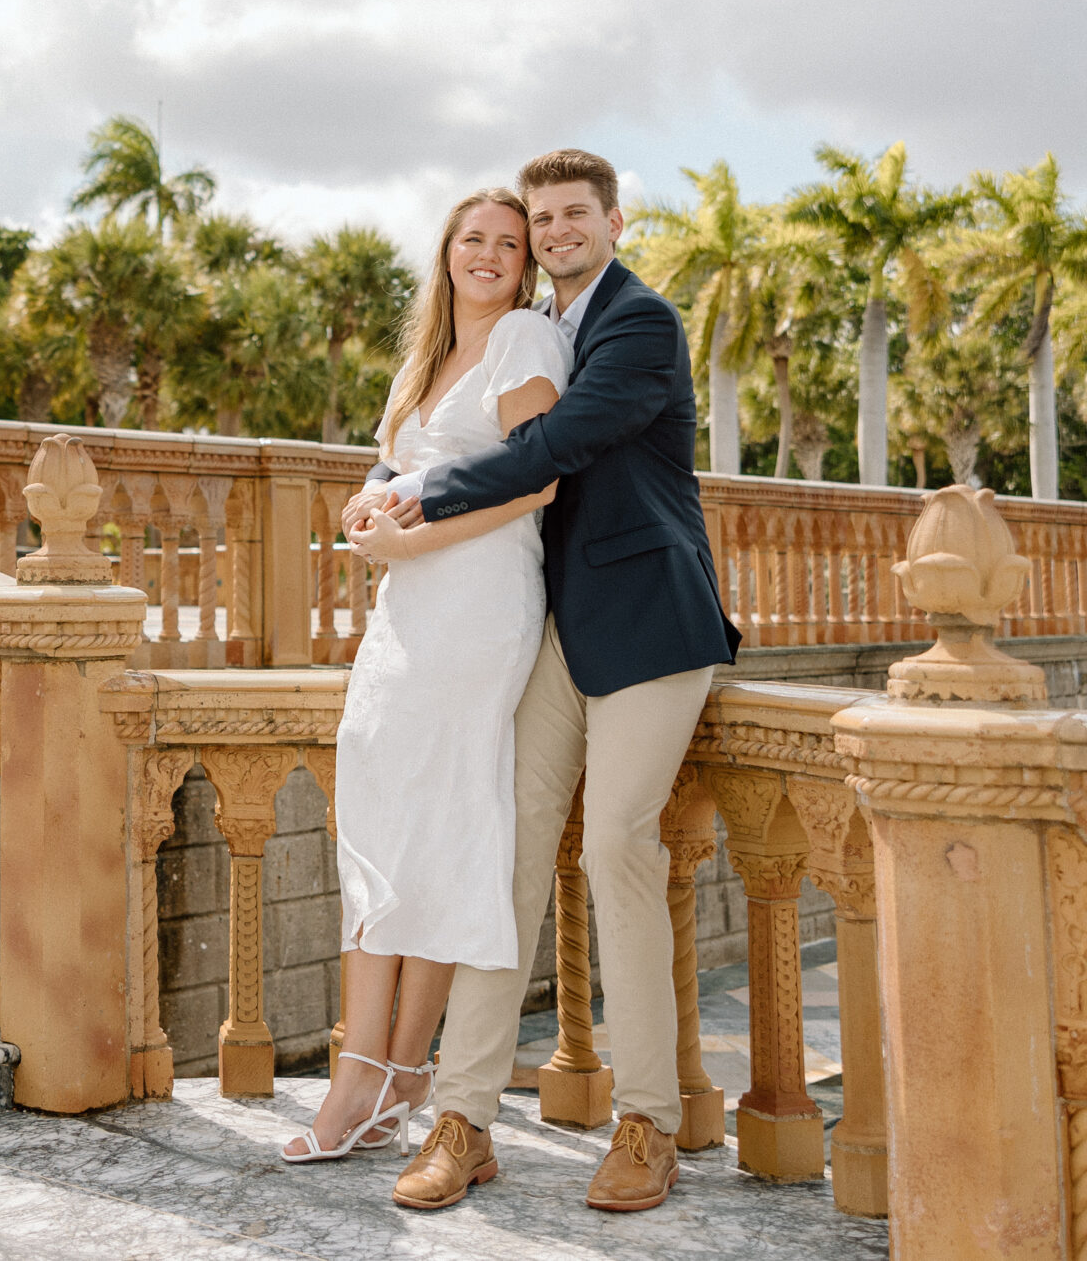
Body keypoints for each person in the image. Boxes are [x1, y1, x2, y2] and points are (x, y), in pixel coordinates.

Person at [345, 147, 742, 1215]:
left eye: (575, 214)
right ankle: (463, 1118)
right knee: (505, 852)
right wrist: (385, 482)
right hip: (555, 628)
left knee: (617, 843)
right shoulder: (545, 329)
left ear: (614, 221)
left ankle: (648, 1122)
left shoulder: (639, 323)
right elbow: (469, 418)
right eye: (542, 218)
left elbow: (559, 443)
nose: (557, 231)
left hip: (652, 621)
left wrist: (414, 495)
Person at [279, 188, 569, 1164]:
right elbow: (387, 475)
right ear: (446, 252)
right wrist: (365, 517)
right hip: (406, 613)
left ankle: (363, 1077)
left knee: (429, 827)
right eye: (470, 239)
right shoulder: (425, 357)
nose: (487, 255)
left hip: (476, 606)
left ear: (526, 264)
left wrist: (413, 541)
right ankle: (392, 1079)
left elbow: (538, 478)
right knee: (386, 816)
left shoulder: (524, 338)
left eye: (507, 243)